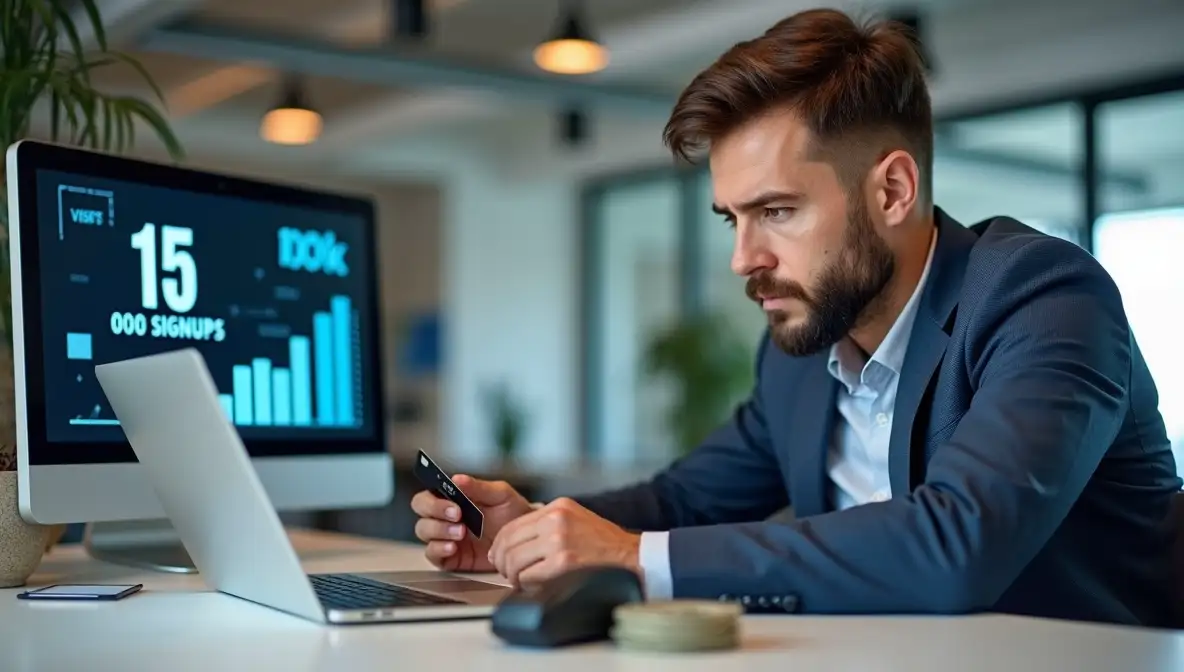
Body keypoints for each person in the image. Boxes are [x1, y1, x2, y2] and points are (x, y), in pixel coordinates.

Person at [411, 8, 1184, 627]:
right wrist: (533, 529)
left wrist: (635, 558)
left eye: (776, 211)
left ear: (891, 192)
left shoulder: (1043, 297)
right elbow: (683, 502)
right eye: (731, 220)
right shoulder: (798, 355)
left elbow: (959, 543)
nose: (744, 259)